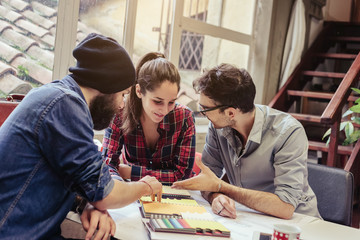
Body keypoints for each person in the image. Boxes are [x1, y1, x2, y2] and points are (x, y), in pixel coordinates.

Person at [0, 33, 162, 240]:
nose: (122, 105)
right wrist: (145, 186)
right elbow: (106, 193)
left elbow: (79, 181)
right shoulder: (66, 105)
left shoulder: (55, 95)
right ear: (107, 86)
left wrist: (86, 203)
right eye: (122, 94)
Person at [172, 63, 321, 220]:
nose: (202, 113)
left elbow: (285, 207)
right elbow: (208, 179)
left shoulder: (288, 132)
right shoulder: (217, 126)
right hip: (251, 217)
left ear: (231, 113)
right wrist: (216, 197)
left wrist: (221, 187)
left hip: (298, 224)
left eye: (204, 109)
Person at [102, 52, 196, 185]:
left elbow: (182, 175)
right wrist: (118, 184)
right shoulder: (119, 114)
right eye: (157, 101)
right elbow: (107, 165)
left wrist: (130, 172)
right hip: (132, 192)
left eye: (171, 102)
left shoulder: (185, 117)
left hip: (174, 196)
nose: (164, 110)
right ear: (139, 91)